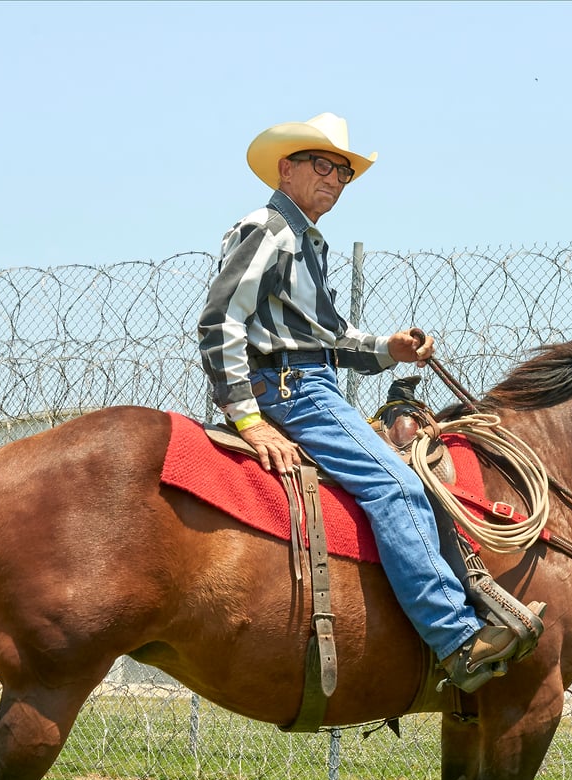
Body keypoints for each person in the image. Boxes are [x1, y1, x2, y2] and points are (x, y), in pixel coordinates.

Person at [197, 113, 538, 694]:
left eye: (345, 173)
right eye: (323, 165)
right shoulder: (269, 230)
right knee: (397, 486)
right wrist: (247, 417)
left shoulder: (307, 240)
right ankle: (456, 639)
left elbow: (326, 337)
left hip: (312, 380)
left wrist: (391, 349)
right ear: (287, 167)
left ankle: (469, 601)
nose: (335, 179)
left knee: (417, 479)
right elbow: (220, 321)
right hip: (292, 391)